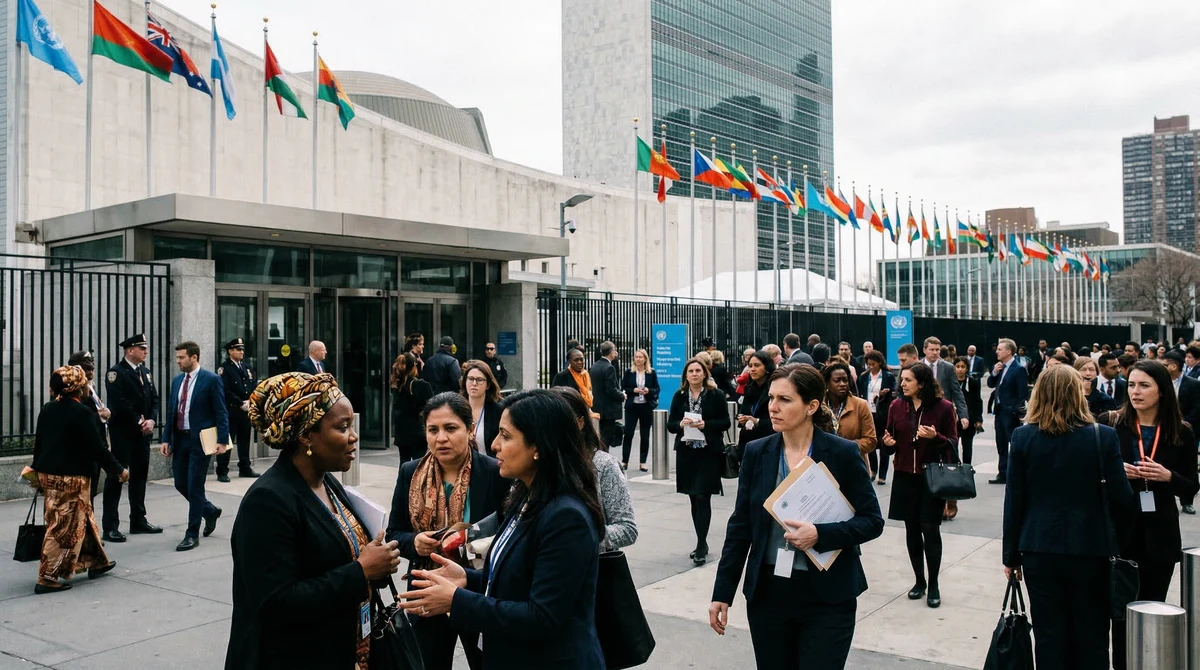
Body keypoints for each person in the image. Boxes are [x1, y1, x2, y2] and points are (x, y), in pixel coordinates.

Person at [397, 389, 606, 669]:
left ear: (538, 447)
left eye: (506, 436)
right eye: (432, 429)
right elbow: (517, 580)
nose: (494, 445)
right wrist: (467, 579)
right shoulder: (525, 497)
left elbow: (542, 616)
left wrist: (457, 600)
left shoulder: (566, 516)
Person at [709, 364, 884, 668]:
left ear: (811, 406)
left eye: (784, 400)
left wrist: (821, 534)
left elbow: (872, 520)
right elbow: (741, 527)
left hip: (828, 597)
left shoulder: (841, 453)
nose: (772, 407)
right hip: (769, 594)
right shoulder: (757, 452)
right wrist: (722, 592)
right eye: (771, 397)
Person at [227, 372, 402, 669]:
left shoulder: (327, 482)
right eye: (342, 427)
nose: (353, 436)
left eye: (352, 425)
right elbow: (275, 602)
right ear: (306, 435)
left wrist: (375, 564)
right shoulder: (268, 501)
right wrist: (362, 571)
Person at [1002, 365, 1135, 670]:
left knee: (1049, 635)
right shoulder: (1104, 436)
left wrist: (1010, 556)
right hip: (1092, 546)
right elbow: (1123, 499)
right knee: (1093, 634)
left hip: (1039, 546)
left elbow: (1015, 502)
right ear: (1078, 394)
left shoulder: (1022, 437)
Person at [385, 392, 507, 670]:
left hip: (477, 588)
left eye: (450, 428)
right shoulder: (411, 472)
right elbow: (394, 533)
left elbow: (509, 530)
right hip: (427, 587)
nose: (441, 438)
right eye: (433, 430)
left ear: (469, 428)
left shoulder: (493, 472)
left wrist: (471, 543)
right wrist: (415, 542)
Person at [1099, 360, 1200, 669]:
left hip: (1160, 536)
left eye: (1144, 386)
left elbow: (1190, 488)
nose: (1135, 392)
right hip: (1119, 535)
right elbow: (1092, 476)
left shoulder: (1180, 432)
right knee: (1119, 613)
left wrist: (1167, 476)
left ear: (1162, 390)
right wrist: (1116, 473)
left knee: (1153, 608)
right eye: (1131, 385)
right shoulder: (1111, 423)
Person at [31, 366, 129, 593]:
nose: (87, 386)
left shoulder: (47, 409)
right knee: (62, 528)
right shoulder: (82, 413)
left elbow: (39, 445)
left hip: (50, 476)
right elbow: (97, 448)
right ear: (77, 387)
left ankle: (95, 561)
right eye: (84, 383)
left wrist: (36, 471)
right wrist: (119, 470)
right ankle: (46, 578)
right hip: (72, 479)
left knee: (83, 519)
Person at [881, 362, 958, 608]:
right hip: (904, 475)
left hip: (930, 476)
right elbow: (889, 442)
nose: (902, 384)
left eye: (907, 380)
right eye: (901, 380)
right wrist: (889, 442)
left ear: (922, 383)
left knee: (930, 528)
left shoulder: (943, 408)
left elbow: (954, 443)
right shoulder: (896, 406)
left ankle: (934, 583)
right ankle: (919, 581)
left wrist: (936, 437)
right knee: (911, 530)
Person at [161, 341, 230, 552]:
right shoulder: (177, 381)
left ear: (194, 357)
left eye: (182, 357)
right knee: (181, 483)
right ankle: (209, 511)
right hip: (180, 439)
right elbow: (172, 411)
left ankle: (192, 534)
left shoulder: (211, 380)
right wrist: (166, 438)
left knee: (195, 485)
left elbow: (221, 411)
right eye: (177, 358)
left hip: (200, 441)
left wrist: (222, 440)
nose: (178, 361)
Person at [553, 387, 638, 551]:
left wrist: (582, 537)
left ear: (580, 422)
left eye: (559, 420)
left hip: (590, 567)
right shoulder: (537, 462)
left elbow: (627, 529)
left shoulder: (604, 465)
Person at [668, 357, 732, 566]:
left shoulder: (716, 395)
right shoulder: (679, 396)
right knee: (693, 498)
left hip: (708, 453)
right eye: (691, 371)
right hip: (687, 453)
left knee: (703, 496)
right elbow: (670, 424)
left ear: (705, 373)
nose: (694, 374)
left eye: (698, 370)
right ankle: (700, 541)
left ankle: (702, 544)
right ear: (686, 376)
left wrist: (706, 424)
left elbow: (725, 422)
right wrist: (681, 423)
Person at [103, 333, 162, 542]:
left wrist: (152, 421)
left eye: (145, 348)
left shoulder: (145, 372)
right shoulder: (115, 373)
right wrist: (139, 421)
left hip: (142, 435)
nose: (146, 351)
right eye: (142, 348)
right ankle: (110, 526)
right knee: (117, 477)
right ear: (130, 350)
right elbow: (120, 403)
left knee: (139, 477)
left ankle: (138, 520)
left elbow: (154, 399)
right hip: (123, 433)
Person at [68, 350, 111, 501]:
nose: (90, 371)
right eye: (86, 369)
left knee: (90, 494)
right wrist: (99, 415)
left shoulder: (90, 387)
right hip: (82, 452)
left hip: (95, 448)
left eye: (92, 368)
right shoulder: (72, 390)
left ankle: (87, 523)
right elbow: (73, 419)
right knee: (83, 497)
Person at [1161, 350, 1200, 515]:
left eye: (1164, 365)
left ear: (1173, 365)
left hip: (1186, 431)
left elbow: (1197, 408)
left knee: (1187, 467)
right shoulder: (1160, 383)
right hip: (1164, 430)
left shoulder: (1192, 384)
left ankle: (1187, 501)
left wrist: (1183, 426)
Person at [216, 338, 259, 482]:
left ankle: (245, 467)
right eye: (238, 349)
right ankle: (222, 470)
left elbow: (253, 385)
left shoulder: (246, 367)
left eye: (242, 349)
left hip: (246, 409)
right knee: (227, 441)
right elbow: (225, 390)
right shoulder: (225, 368)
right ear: (230, 351)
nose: (241, 352)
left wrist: (250, 401)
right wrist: (239, 402)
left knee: (244, 440)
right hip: (232, 410)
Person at [987, 338, 1029, 485]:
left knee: (1014, 444)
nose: (997, 352)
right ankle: (1003, 473)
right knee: (1001, 444)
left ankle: (1016, 473)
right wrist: (994, 372)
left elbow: (1023, 393)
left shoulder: (1018, 369)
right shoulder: (1001, 367)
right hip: (999, 412)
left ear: (1009, 351)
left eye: (1000, 349)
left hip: (1010, 413)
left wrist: (1015, 410)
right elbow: (990, 383)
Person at [824, 360, 876, 476]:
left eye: (845, 380)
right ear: (827, 383)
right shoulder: (819, 407)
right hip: (826, 468)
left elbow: (871, 440)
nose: (842, 384)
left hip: (854, 468)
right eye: (837, 380)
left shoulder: (860, 405)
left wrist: (845, 448)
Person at [858, 351, 896, 485]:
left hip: (883, 413)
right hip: (869, 413)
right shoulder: (863, 377)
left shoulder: (888, 376)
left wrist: (885, 394)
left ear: (879, 363)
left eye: (873, 364)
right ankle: (873, 470)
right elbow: (859, 393)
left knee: (884, 442)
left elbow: (894, 394)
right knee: (871, 442)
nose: (871, 367)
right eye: (868, 364)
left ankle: (883, 474)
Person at [621, 349, 660, 472]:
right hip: (632, 407)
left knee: (645, 435)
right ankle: (624, 461)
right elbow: (623, 387)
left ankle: (643, 462)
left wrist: (648, 390)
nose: (638, 359)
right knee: (628, 433)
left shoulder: (651, 372)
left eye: (640, 357)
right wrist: (634, 391)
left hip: (646, 406)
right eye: (636, 357)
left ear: (645, 359)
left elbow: (657, 389)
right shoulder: (629, 372)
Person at [391, 352, 434, 463]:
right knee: (419, 464)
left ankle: (403, 481)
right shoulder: (420, 385)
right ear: (414, 366)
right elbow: (432, 405)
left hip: (401, 432)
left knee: (404, 462)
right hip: (417, 432)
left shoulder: (397, 386)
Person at [922, 337, 969, 435]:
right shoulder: (916, 366)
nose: (935, 353)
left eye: (937, 350)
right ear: (924, 350)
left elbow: (957, 392)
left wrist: (963, 415)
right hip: (922, 412)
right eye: (931, 350)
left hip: (943, 413)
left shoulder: (948, 367)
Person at [460, 360, 503, 457]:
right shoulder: (457, 409)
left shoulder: (497, 411)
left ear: (487, 385)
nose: (474, 383)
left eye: (479, 380)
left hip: (489, 466)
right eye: (470, 379)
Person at [736, 351, 776, 454]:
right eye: (750, 366)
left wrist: (757, 421)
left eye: (757, 365)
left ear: (767, 368)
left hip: (767, 439)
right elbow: (744, 410)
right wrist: (741, 417)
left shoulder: (774, 389)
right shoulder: (749, 388)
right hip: (748, 440)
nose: (752, 369)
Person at [589, 341, 626, 448]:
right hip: (608, 410)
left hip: (597, 407)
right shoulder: (609, 368)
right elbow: (611, 389)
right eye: (614, 350)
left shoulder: (594, 366)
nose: (616, 352)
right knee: (606, 440)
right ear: (611, 352)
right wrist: (622, 395)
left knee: (599, 439)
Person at [953, 357, 983, 467]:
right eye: (957, 366)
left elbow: (978, 401)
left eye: (963, 367)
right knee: (953, 446)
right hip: (953, 418)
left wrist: (979, 419)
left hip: (969, 419)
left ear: (967, 369)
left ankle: (966, 469)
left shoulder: (972, 382)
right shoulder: (951, 381)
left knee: (967, 446)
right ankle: (955, 468)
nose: (960, 369)